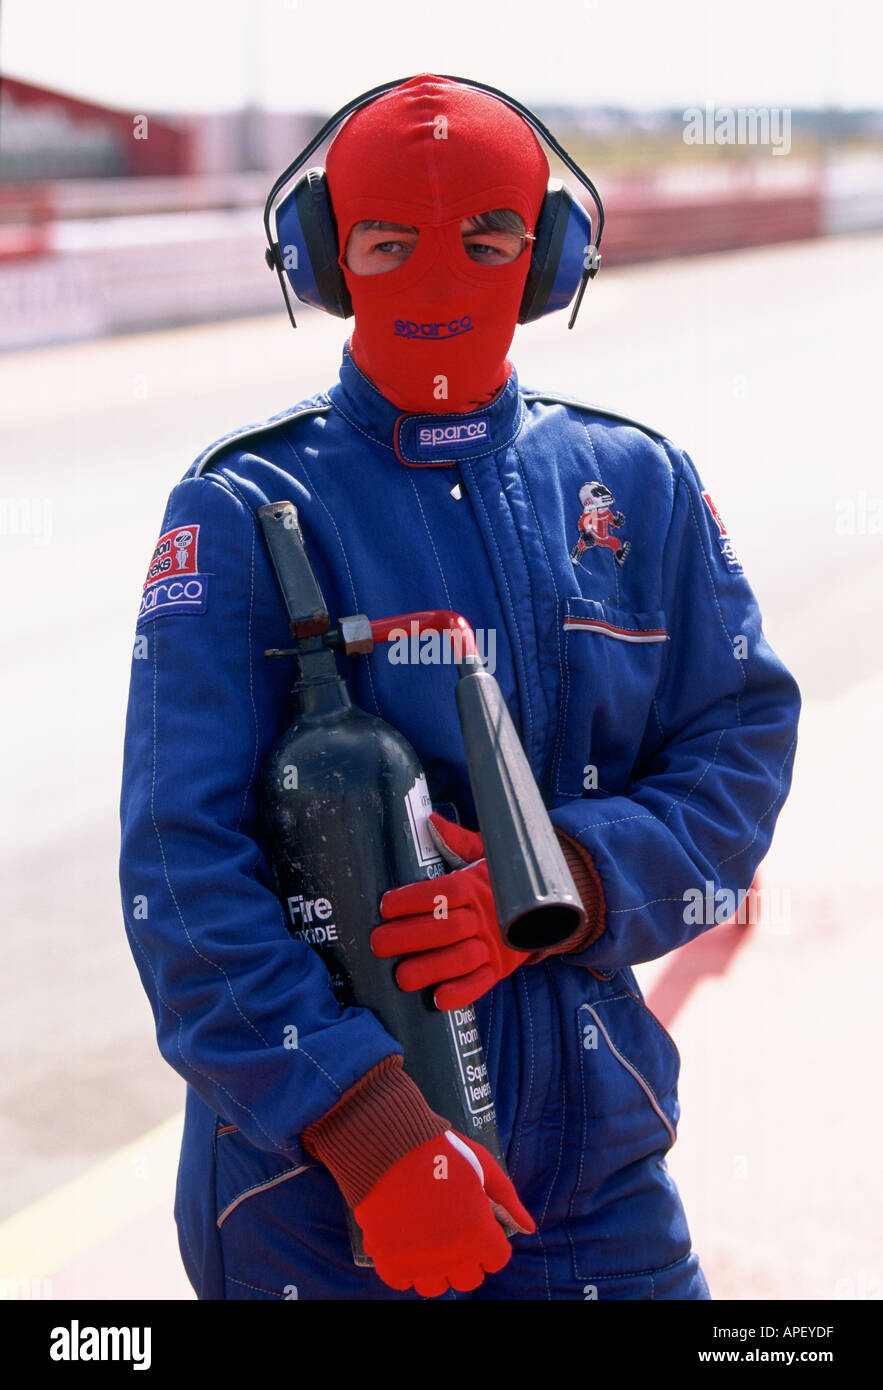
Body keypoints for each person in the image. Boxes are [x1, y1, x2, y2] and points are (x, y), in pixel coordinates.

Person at [118, 73, 801, 1301]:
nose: (439, 278)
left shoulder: (635, 486)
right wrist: (370, 1133)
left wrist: (569, 880)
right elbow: (179, 871)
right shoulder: (238, 511)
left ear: (550, 262)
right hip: (320, 1204)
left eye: (487, 241)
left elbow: (737, 751)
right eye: (388, 243)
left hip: (599, 1174)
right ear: (326, 257)